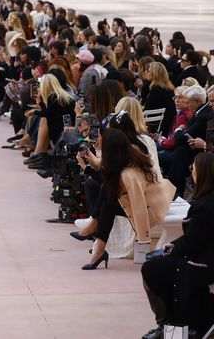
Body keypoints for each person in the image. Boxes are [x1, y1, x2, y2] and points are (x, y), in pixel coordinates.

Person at [77, 126, 175, 270]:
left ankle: (96, 237)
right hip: (145, 201)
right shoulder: (128, 155)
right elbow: (108, 176)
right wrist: (88, 162)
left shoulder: (128, 175)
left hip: (152, 208)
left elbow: (139, 207)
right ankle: (98, 244)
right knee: (107, 199)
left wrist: (144, 241)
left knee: (107, 203)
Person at [140, 152, 214, 339]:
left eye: (193, 169)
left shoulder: (205, 206)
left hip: (203, 265)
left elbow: (192, 242)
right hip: (203, 258)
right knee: (157, 264)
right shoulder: (206, 202)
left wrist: (171, 249)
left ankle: (166, 324)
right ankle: (166, 323)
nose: (191, 172)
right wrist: (173, 246)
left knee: (151, 268)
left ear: (203, 173)